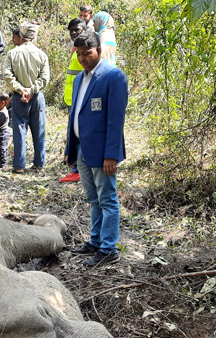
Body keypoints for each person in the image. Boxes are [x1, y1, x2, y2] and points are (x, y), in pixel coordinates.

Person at [66, 31, 127, 267]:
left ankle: (109, 249)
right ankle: (95, 240)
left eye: (87, 53)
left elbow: (115, 119)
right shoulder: (80, 78)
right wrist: (70, 148)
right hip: (82, 149)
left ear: (99, 51)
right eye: (79, 54)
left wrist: (111, 155)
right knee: (93, 200)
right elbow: (75, 114)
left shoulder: (113, 77)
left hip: (103, 153)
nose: (83, 58)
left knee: (107, 199)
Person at [1, 22, 50, 174]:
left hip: (18, 97)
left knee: (19, 130)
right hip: (36, 97)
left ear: (22, 36)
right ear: (34, 37)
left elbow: (7, 75)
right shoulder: (41, 54)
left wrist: (22, 90)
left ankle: (19, 166)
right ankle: (39, 164)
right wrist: (31, 90)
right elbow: (45, 78)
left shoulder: (12, 54)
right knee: (39, 130)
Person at [60, 18, 86, 183]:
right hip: (72, 99)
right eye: (72, 31)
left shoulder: (86, 49)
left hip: (81, 99)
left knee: (79, 134)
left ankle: (78, 170)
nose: (75, 33)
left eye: (78, 29)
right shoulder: (76, 48)